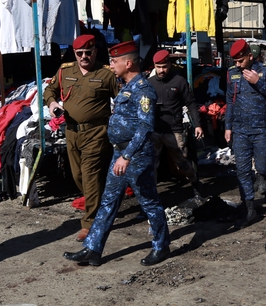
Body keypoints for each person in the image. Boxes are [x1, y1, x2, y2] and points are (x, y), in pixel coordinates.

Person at [63, 41, 170, 267]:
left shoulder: (143, 90)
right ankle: (93, 248)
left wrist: (127, 155)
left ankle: (161, 246)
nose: (111, 64)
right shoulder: (126, 86)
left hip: (135, 156)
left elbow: (145, 127)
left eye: (114, 61)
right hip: (119, 153)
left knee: (149, 202)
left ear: (128, 63)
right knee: (108, 201)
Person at [44, 34, 120, 242]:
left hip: (96, 133)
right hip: (71, 131)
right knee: (78, 176)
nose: (84, 56)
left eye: (88, 52)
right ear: (75, 54)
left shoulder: (106, 74)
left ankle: (90, 222)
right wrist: (52, 104)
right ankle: (104, 201)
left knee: (90, 175)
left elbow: (121, 99)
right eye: (80, 53)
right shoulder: (65, 70)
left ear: (95, 52)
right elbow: (49, 90)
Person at [224, 39, 266, 225]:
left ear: (250, 56)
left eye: (240, 60)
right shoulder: (232, 74)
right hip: (240, 130)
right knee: (242, 170)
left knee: (263, 166)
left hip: (261, 129)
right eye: (235, 61)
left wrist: (258, 82)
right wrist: (228, 126)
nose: (237, 64)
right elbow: (230, 101)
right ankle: (250, 208)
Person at [147, 49, 204, 197]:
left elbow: (191, 103)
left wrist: (197, 124)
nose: (161, 70)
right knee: (151, 164)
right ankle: (152, 197)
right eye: (158, 67)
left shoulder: (179, 81)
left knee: (182, 163)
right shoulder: (149, 83)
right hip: (155, 130)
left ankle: (195, 182)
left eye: (164, 66)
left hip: (174, 130)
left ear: (169, 64)